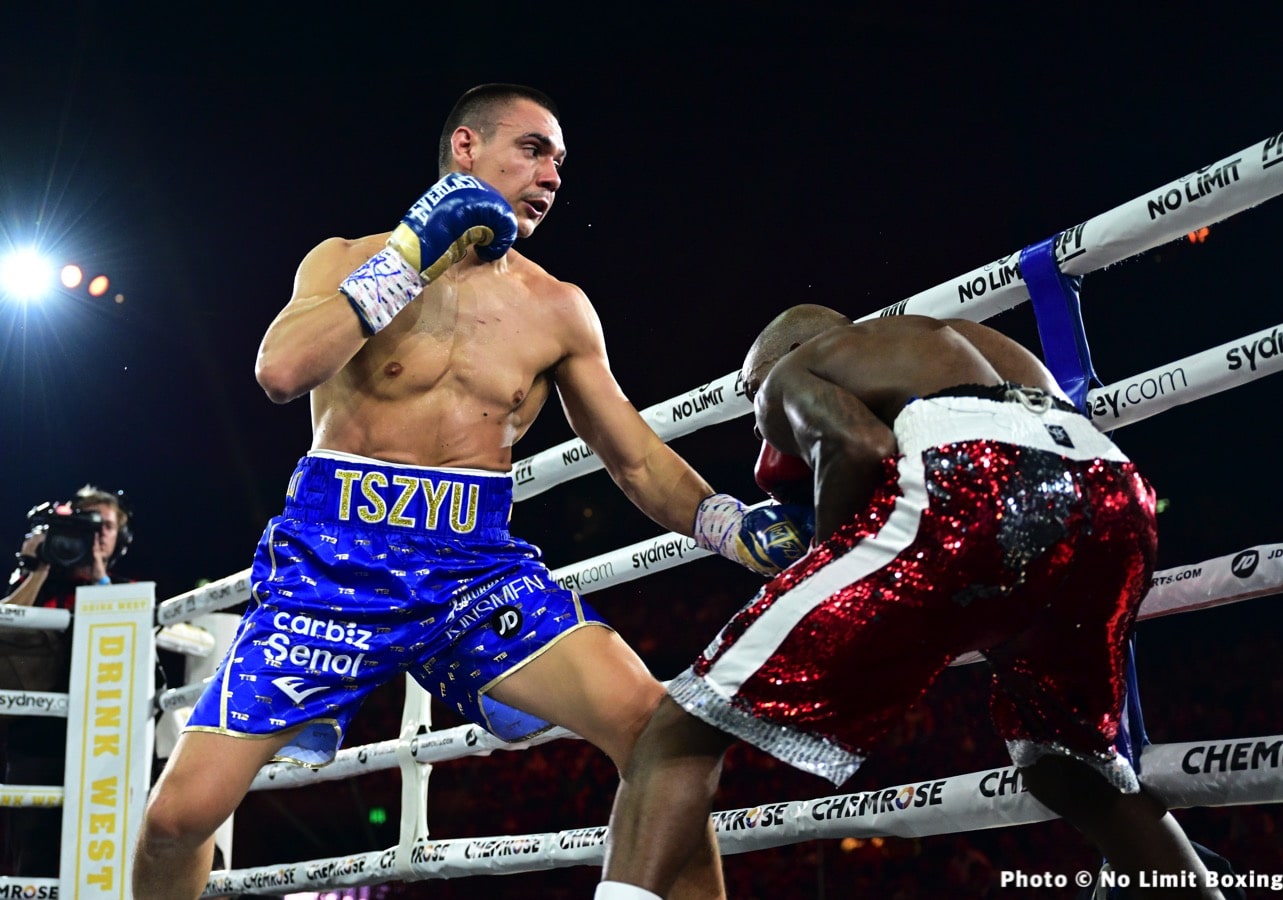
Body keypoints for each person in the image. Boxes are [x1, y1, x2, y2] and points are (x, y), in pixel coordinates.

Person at [132, 83, 809, 900]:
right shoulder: (347, 259)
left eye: (561, 162)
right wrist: (412, 256)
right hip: (329, 569)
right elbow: (280, 372)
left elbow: (632, 459)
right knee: (179, 818)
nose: (553, 175)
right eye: (533, 150)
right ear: (466, 149)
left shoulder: (558, 308)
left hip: (472, 569)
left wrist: (727, 522)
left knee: (663, 732)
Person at [598, 306, 1226, 899]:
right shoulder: (968, 345)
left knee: (675, 731)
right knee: (1073, 769)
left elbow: (856, 445)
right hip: (1114, 499)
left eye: (748, 393)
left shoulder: (787, 375)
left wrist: (824, 562)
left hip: (975, 484)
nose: (755, 416)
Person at [0, 485, 132, 876]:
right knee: (32, 857)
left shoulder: (124, 594)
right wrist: (37, 566)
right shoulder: (39, 588)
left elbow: (122, 637)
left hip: (103, 740)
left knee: (103, 857)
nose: (96, 534)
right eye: (85, 524)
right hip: (35, 738)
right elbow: (4, 625)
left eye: (104, 525)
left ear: (119, 538)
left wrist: (97, 577)